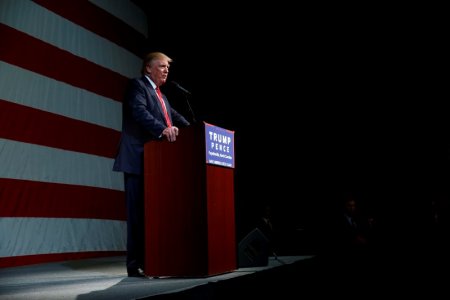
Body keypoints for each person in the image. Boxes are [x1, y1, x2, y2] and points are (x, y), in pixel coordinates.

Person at [113, 52, 190, 278]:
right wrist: (161, 129)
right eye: (162, 66)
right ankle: (134, 264)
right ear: (148, 68)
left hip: (155, 165)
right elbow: (139, 112)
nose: (167, 70)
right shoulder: (137, 87)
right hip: (137, 159)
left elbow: (176, 118)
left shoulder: (162, 97)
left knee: (153, 214)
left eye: (168, 67)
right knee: (137, 214)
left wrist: (198, 130)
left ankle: (153, 260)